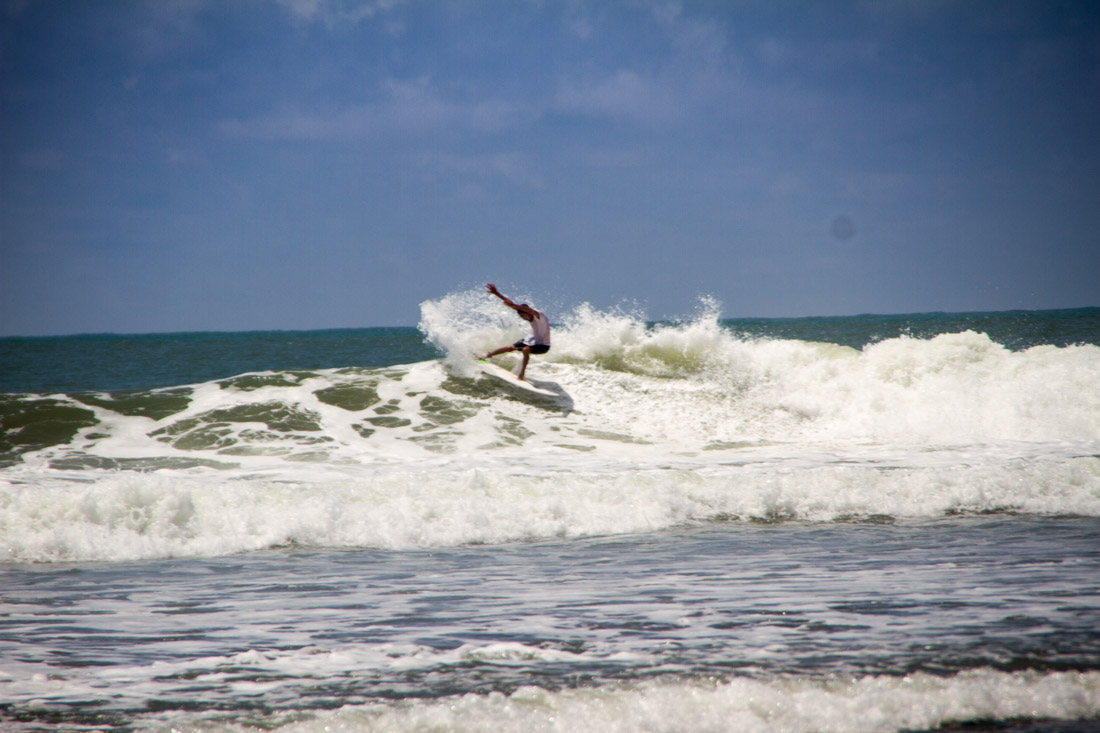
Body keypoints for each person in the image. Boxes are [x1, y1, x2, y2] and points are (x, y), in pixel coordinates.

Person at [479, 283, 551, 381]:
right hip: (532, 341)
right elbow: (512, 304)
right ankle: (487, 356)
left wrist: (514, 305)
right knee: (510, 347)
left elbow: (528, 310)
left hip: (543, 346)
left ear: (528, 313)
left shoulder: (539, 316)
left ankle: (522, 374)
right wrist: (497, 293)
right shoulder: (529, 317)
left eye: (523, 316)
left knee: (526, 349)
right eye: (521, 317)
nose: (523, 318)